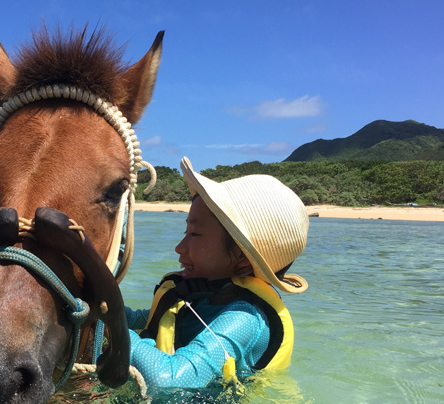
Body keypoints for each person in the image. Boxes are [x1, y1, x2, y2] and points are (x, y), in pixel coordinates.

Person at [125, 157, 309, 390]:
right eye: (186, 231)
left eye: (195, 234)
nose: (179, 248)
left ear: (241, 257)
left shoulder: (245, 318)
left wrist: (116, 331)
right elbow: (139, 320)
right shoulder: (198, 296)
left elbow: (169, 380)